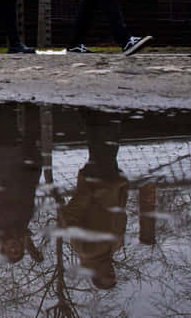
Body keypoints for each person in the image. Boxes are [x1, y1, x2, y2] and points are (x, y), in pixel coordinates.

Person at [60, 108, 129, 289]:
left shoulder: (85, 249)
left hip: (96, 183)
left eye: (107, 275)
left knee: (106, 146)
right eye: (113, 274)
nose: (111, 271)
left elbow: (68, 217)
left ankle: (106, 112)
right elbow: (120, 214)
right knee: (106, 147)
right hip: (112, 183)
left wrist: (90, 192)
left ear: (96, 274)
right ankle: (94, 112)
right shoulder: (115, 247)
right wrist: (122, 190)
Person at [0, 104, 43, 263]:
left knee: (2, 123)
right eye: (18, 250)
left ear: (3, 248)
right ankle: (29, 97)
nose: (14, 248)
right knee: (29, 129)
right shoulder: (22, 226)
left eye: (10, 251)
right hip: (23, 167)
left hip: (0, 165)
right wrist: (35, 170)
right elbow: (29, 195)